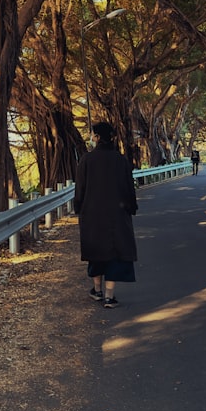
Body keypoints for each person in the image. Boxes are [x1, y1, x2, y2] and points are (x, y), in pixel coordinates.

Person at [73, 121, 138, 308]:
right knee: (115, 253)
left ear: (98, 137)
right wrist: (131, 208)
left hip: (92, 215)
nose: (91, 138)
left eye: (93, 135)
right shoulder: (121, 160)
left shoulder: (86, 160)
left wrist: (79, 209)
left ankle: (97, 290)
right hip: (117, 215)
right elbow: (129, 188)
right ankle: (110, 296)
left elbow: (80, 190)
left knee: (96, 251)